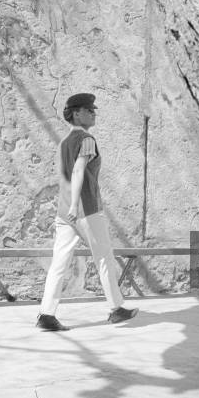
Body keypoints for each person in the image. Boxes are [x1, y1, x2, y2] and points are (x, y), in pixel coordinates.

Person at [36, 93, 139, 331]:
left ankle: (46, 314)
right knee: (104, 258)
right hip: (86, 210)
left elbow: (65, 175)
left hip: (64, 214)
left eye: (93, 110)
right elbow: (78, 171)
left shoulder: (63, 143)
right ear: (76, 114)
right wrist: (75, 205)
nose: (94, 113)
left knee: (58, 264)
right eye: (89, 110)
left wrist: (68, 207)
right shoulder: (87, 139)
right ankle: (116, 309)